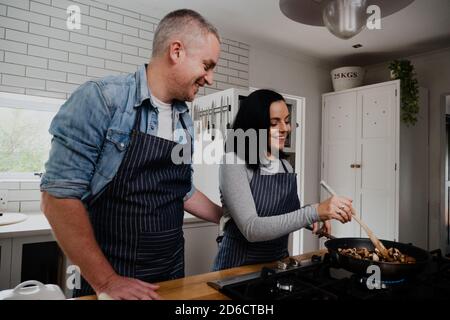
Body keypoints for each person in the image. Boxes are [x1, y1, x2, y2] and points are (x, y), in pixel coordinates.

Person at [40, 9, 222, 300]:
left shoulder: (184, 118)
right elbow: (58, 198)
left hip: (171, 274)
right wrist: (107, 282)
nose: (210, 79)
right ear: (176, 51)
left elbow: (181, 189)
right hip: (114, 278)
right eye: (207, 65)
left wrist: (225, 217)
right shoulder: (102, 99)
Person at [212, 89, 353, 271]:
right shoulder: (233, 162)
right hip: (237, 267)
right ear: (253, 126)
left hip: (277, 264)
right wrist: (313, 212)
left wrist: (314, 216)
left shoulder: (285, 166)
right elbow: (251, 229)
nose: (285, 129)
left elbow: (287, 215)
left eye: (286, 121)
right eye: (274, 123)